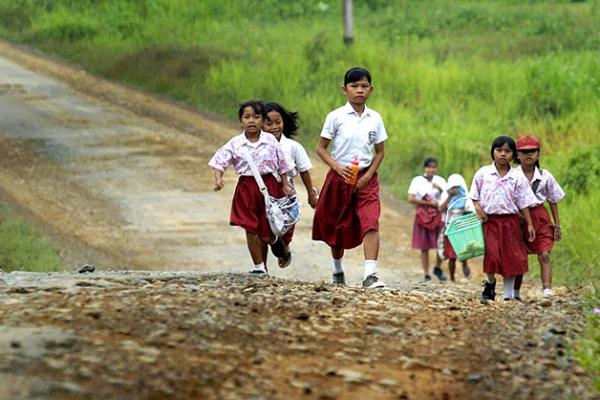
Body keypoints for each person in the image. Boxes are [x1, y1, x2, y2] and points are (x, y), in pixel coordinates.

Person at [312, 67, 387, 289]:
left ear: (371, 90)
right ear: (344, 89)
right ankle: (337, 270)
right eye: (354, 86)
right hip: (340, 177)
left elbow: (380, 151)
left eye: (364, 86)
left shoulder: (375, 118)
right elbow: (321, 148)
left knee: (371, 221)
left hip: (366, 178)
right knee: (337, 226)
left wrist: (369, 175)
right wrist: (337, 167)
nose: (359, 91)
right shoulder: (335, 117)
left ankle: (370, 274)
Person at [208, 100, 292, 274]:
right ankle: (259, 267)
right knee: (250, 227)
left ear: (262, 121)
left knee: (267, 233)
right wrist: (218, 178)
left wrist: (285, 185)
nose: (251, 121)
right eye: (247, 117)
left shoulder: (270, 140)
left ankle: (277, 243)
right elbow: (220, 161)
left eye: (256, 117)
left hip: (269, 186)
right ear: (241, 121)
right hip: (247, 188)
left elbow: (282, 163)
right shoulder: (235, 143)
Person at [470, 136, 537, 301]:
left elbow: (524, 202)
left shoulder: (517, 177)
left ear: (513, 155)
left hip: (511, 222)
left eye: (507, 151)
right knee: (492, 255)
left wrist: (529, 224)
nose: (502, 154)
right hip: (490, 221)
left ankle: (508, 295)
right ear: (492, 152)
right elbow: (474, 195)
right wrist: (479, 209)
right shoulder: (483, 173)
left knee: (511, 257)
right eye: (499, 150)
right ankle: (490, 283)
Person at [263, 102, 319, 268]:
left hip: (286, 193)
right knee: (262, 230)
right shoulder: (257, 146)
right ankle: (261, 268)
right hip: (264, 191)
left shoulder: (293, 147)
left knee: (285, 227)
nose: (274, 127)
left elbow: (304, 170)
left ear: (284, 122)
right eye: (269, 123)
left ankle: (284, 246)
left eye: (278, 122)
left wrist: (311, 194)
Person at [512, 135, 565, 298]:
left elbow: (553, 200)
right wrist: (516, 214)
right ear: (517, 155)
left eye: (532, 151)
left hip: (540, 217)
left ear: (538, 154)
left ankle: (547, 290)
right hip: (518, 218)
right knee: (519, 256)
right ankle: (515, 292)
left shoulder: (545, 176)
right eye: (524, 152)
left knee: (544, 253)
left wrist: (557, 224)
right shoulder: (512, 176)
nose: (528, 155)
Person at [408, 158, 448, 282]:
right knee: (424, 245)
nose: (431, 169)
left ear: (436, 168)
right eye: (429, 167)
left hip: (438, 214)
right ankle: (426, 273)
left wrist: (440, 189)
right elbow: (411, 198)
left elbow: (446, 197)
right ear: (425, 168)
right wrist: (428, 203)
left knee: (441, 243)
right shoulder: (417, 180)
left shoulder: (440, 180)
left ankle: (437, 267)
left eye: (434, 167)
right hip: (423, 215)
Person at [438, 173, 473, 281]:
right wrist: (450, 196)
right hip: (450, 229)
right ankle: (452, 278)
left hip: (462, 228)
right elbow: (441, 208)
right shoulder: (446, 195)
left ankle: (465, 264)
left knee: (463, 252)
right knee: (452, 257)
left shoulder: (466, 196)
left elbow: (470, 210)